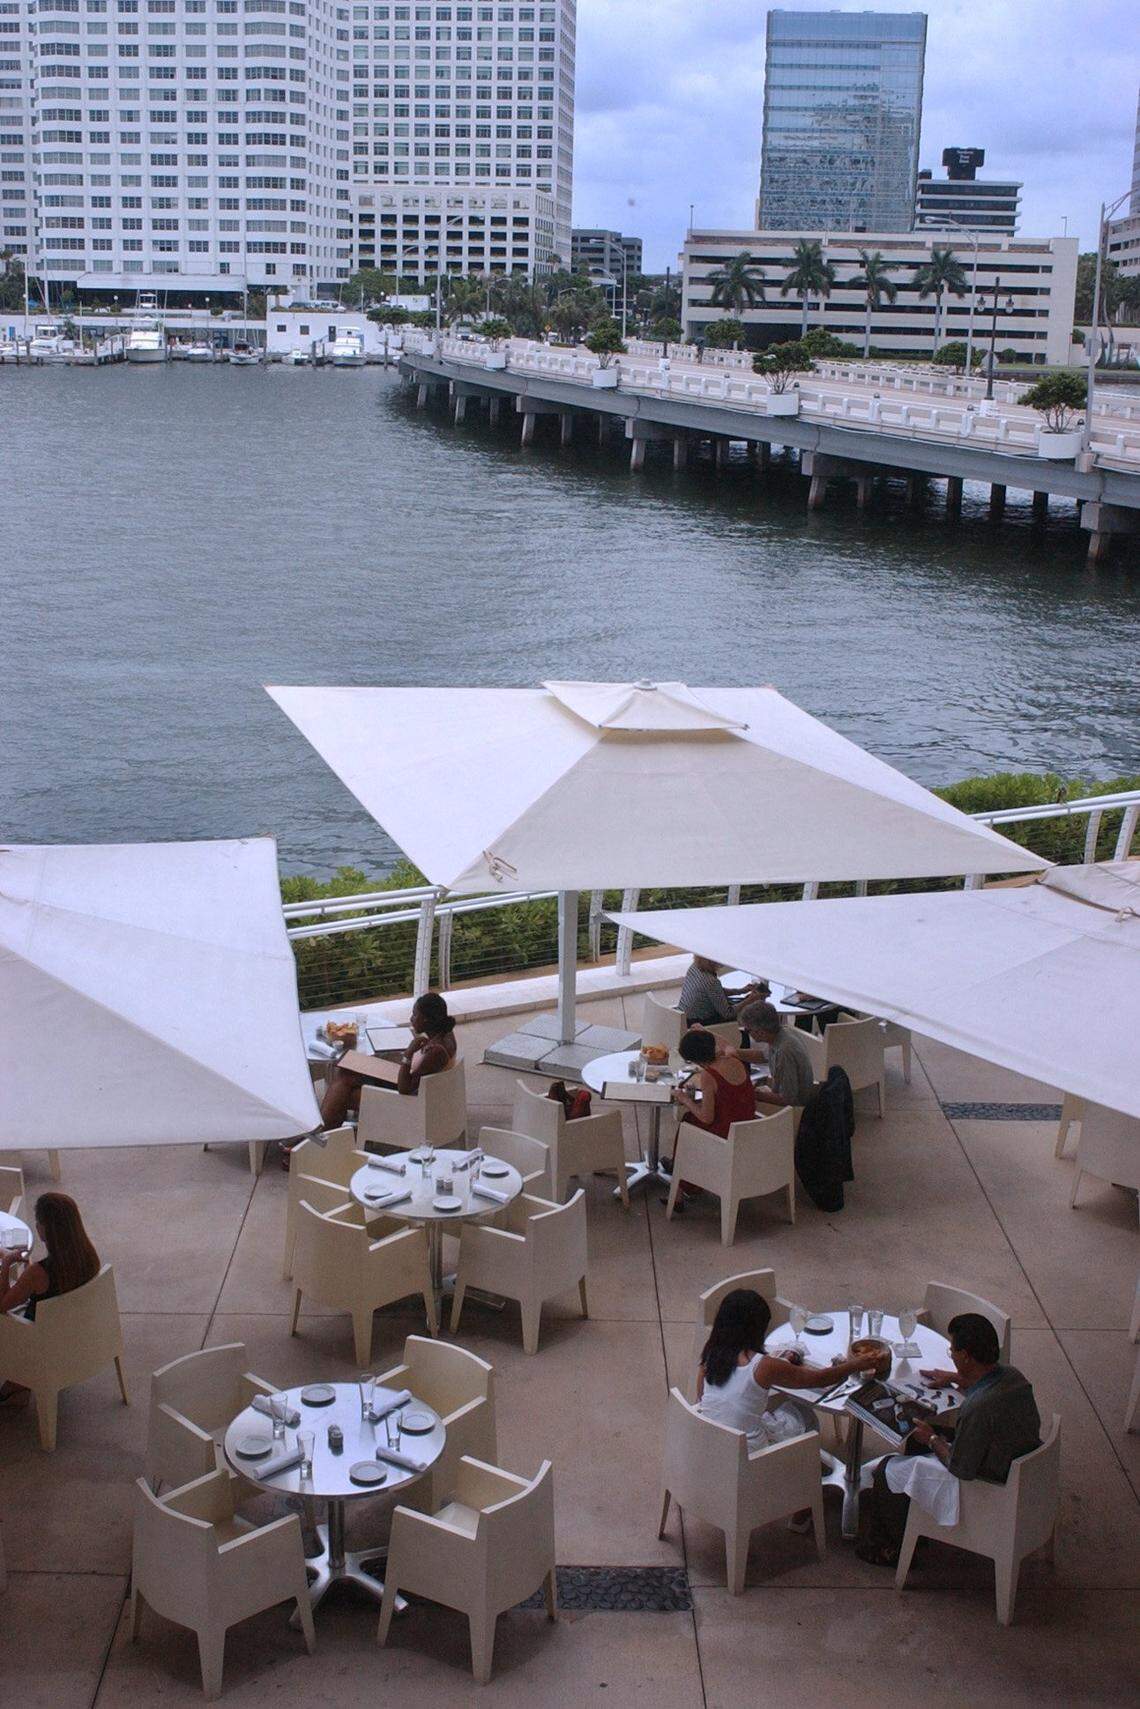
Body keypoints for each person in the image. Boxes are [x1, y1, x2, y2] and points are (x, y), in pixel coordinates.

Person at [855, 1312, 1041, 1568]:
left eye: (953, 1350)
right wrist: (953, 1378)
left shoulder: (978, 1408)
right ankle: (910, 1518)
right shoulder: (1013, 1377)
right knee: (916, 1443)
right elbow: (982, 1386)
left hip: (989, 1483)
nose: (951, 1354)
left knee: (888, 1470)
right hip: (1012, 1458)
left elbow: (961, 1468)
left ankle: (887, 1547)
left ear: (965, 1355)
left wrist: (932, 1438)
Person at [698, 1288, 881, 1465]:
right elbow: (820, 1379)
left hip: (712, 1448)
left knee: (781, 1413)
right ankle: (797, 1473)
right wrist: (856, 1364)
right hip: (751, 1458)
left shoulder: (711, 1355)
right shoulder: (763, 1366)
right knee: (805, 1415)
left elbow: (702, 1399)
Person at [0, 1192, 101, 1409]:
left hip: (39, 1344)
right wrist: (27, 1278)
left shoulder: (38, 1273)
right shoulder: (89, 1256)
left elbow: (2, 1306)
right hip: (74, 1336)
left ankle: (18, 1380)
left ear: (45, 1230)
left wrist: (7, 1263)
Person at [318, 991, 458, 1130]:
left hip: (408, 1102)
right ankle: (327, 1134)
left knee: (343, 1090)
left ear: (426, 1019)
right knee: (347, 1072)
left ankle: (322, 1134)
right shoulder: (446, 1035)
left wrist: (408, 1054)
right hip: (412, 1086)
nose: (411, 1019)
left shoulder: (435, 1051)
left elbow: (404, 1088)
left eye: (415, 1015)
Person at [665, 1029, 757, 1207]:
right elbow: (726, 1043)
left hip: (725, 1134)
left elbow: (707, 1117)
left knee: (688, 1122)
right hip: (746, 1125)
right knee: (691, 1120)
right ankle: (683, 1180)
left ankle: (681, 1187)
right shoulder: (735, 1061)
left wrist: (684, 1099)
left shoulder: (709, 1075)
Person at [736, 1000, 815, 1113]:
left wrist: (754, 1094)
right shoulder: (782, 1034)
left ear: (761, 1032)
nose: (747, 1033)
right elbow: (762, 1056)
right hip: (791, 1097)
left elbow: (788, 1099)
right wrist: (735, 1052)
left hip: (795, 1111)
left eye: (748, 1030)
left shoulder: (784, 1052)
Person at [677, 956, 766, 1026]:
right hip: (699, 1022)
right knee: (747, 1006)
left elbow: (715, 992)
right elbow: (728, 1014)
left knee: (742, 1001)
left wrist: (740, 991)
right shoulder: (711, 981)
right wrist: (750, 1000)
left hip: (684, 1016)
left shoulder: (694, 967)